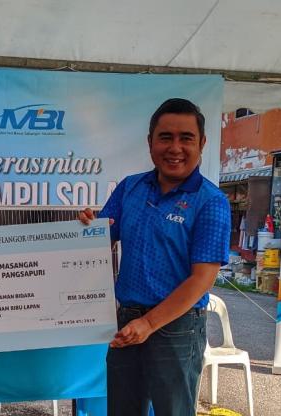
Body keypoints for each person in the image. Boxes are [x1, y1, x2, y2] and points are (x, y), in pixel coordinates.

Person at [80, 98, 231, 416]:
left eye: (186, 138)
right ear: (150, 142)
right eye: (165, 137)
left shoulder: (211, 201)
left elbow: (202, 279)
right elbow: (99, 240)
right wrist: (86, 228)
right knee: (122, 410)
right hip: (126, 321)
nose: (175, 148)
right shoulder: (130, 188)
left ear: (202, 143)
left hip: (178, 327)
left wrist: (149, 323)